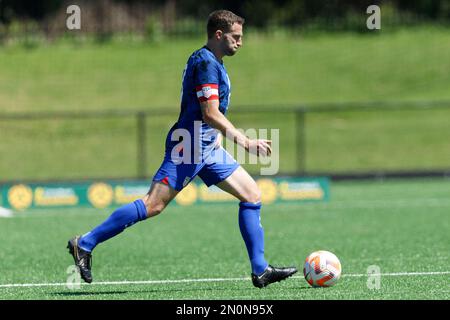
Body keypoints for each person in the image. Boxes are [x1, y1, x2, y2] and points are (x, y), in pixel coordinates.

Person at [68, 9, 297, 288]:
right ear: (218, 34)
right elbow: (210, 112)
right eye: (235, 37)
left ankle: (260, 270)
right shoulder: (206, 63)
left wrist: (217, 137)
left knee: (251, 195)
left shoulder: (212, 61)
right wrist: (245, 141)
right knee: (153, 204)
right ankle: (85, 243)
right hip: (188, 146)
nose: (240, 42)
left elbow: (209, 115)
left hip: (206, 147)